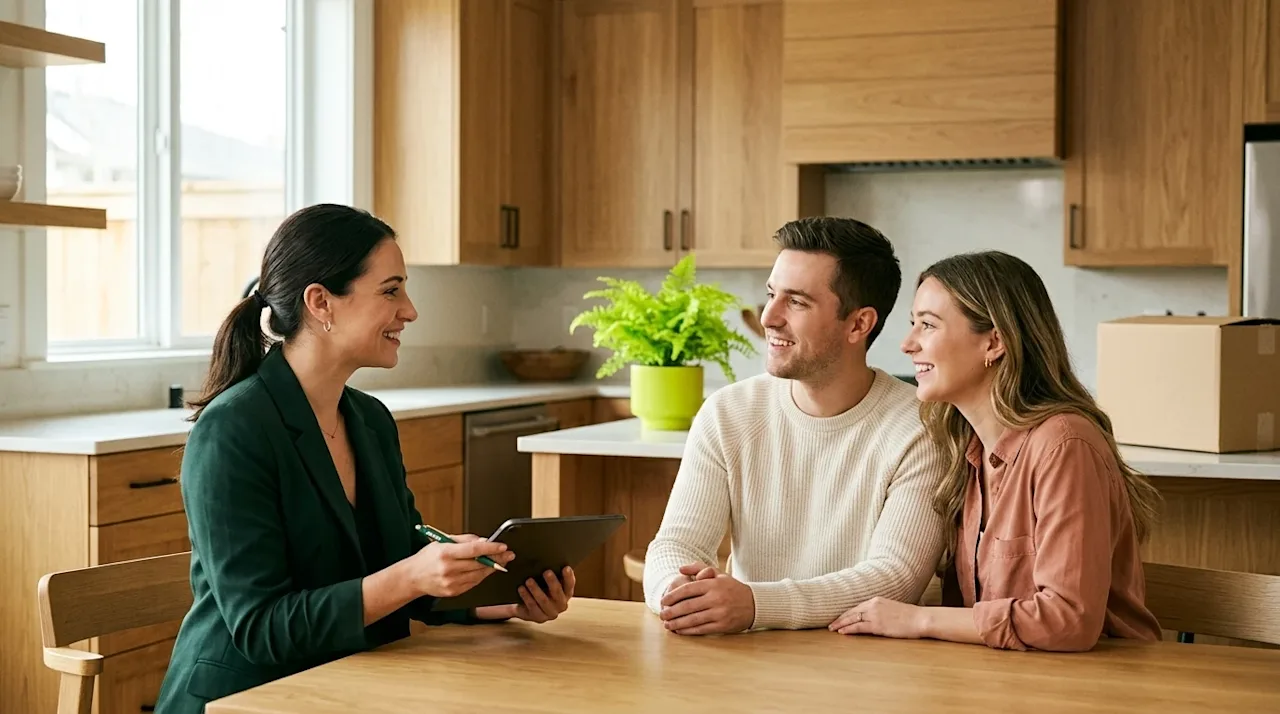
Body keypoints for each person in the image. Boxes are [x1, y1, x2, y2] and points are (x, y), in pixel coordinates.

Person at [156, 204, 575, 713]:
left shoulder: (370, 420)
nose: (410, 310)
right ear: (321, 303)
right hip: (247, 697)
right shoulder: (233, 430)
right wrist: (414, 574)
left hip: (349, 682)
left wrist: (496, 597)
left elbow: (393, 566)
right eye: (391, 290)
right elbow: (262, 628)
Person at [830, 250, 1163, 652]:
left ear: (995, 341)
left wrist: (919, 619)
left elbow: (1068, 620)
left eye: (928, 325)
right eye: (912, 324)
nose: (907, 344)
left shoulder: (1065, 445)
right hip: (1001, 679)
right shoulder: (960, 450)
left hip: (1096, 686)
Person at [644, 216, 949, 635]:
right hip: (747, 656)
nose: (769, 317)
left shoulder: (921, 427)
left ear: (859, 324)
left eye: (797, 302)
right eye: (771, 294)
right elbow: (676, 544)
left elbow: (895, 577)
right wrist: (675, 593)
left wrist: (756, 604)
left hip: (867, 665)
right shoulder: (727, 412)